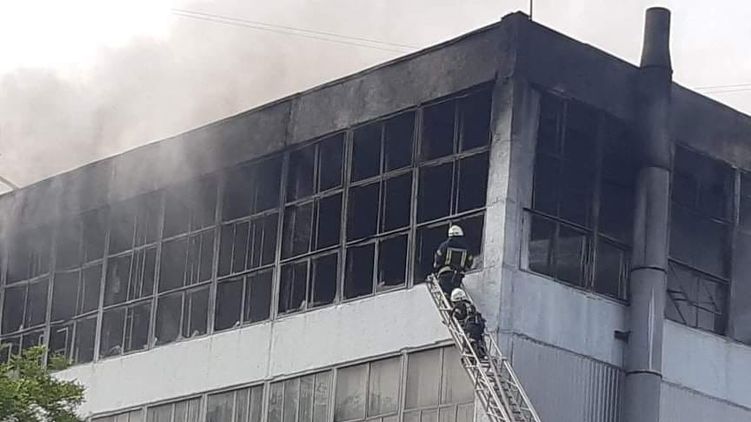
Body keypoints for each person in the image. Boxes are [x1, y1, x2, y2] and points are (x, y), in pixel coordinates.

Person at [433, 225, 474, 296]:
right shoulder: (466, 247)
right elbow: (470, 261)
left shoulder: (444, 245)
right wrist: (464, 269)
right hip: (458, 276)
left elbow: (438, 257)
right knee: (455, 293)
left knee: (446, 293)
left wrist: (437, 266)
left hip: (444, 274)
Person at [450, 288, 487, 359]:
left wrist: (453, 316)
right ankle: (481, 352)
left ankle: (469, 354)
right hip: (479, 325)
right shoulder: (470, 304)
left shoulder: (460, 305)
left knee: (466, 340)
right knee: (478, 339)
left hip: (471, 326)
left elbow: (461, 316)